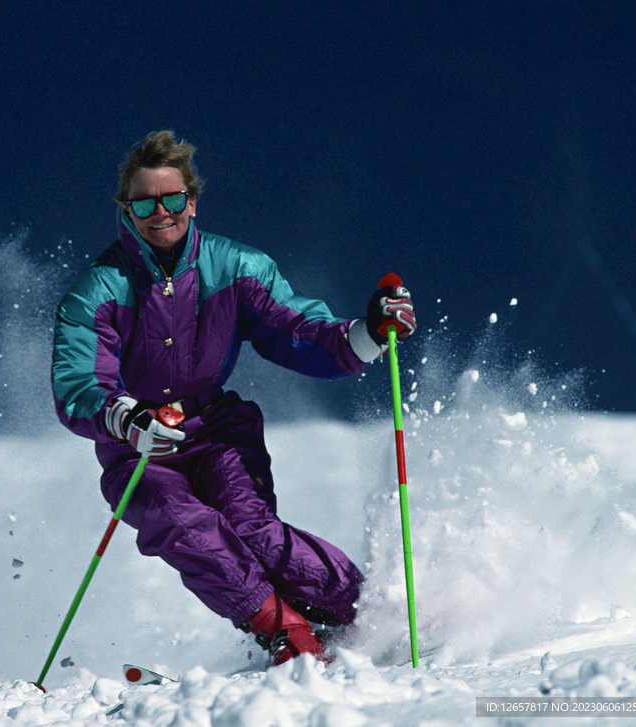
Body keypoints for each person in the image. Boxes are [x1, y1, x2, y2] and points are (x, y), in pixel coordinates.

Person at [51, 130, 416, 665]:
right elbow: (78, 381)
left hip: (217, 429)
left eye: (172, 199)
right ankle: (287, 632)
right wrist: (126, 418)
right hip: (138, 445)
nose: (161, 213)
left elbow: (296, 329)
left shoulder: (236, 268)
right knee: (181, 524)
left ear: (191, 202)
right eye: (145, 202)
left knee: (255, 531)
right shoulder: (100, 288)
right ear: (126, 211)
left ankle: (367, 613)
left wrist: (366, 332)